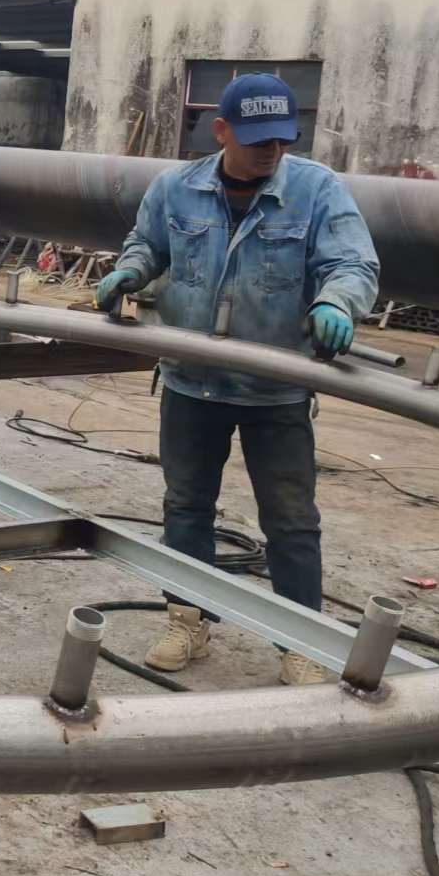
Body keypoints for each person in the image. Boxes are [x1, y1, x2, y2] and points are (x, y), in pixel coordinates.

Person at [94, 73, 379, 686]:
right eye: (256, 140)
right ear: (220, 131)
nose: (271, 151)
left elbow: (352, 260)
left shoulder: (316, 189)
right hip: (191, 381)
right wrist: (130, 272)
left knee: (291, 518)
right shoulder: (176, 189)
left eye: (281, 139)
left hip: (274, 390)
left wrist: (338, 301)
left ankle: (301, 639)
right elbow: (147, 245)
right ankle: (187, 617)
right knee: (186, 505)